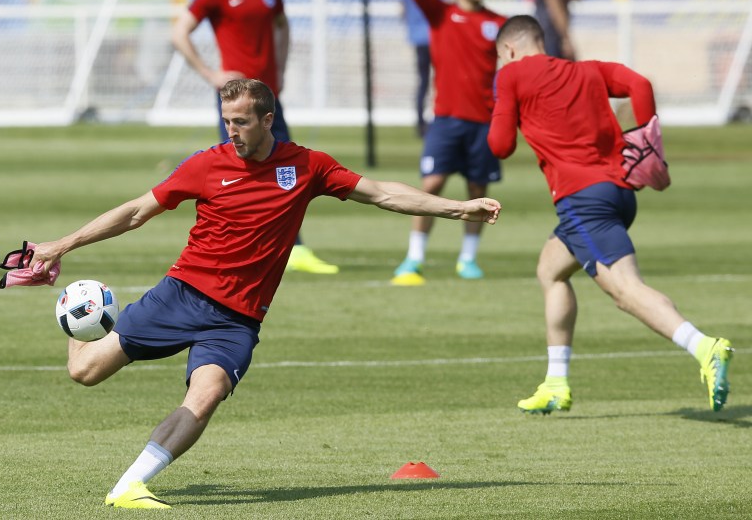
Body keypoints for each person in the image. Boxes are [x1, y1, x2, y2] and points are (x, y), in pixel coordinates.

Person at [27, 78, 501, 508]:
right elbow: (136, 212)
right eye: (226, 120)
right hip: (183, 295)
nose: (231, 130)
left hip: (238, 321)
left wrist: (458, 208)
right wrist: (64, 243)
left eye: (241, 121)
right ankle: (78, 303)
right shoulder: (206, 165)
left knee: (207, 393)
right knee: (84, 371)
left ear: (267, 119)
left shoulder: (307, 165)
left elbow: (381, 193)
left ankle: (129, 486)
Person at [488, 15, 733, 414]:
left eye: (500, 58)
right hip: (619, 192)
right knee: (550, 271)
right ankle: (555, 383)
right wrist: (646, 141)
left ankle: (704, 346)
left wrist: (503, 110)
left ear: (510, 49)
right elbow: (640, 84)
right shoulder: (588, 71)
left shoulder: (511, 75)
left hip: (582, 199)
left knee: (625, 291)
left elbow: (500, 146)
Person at [171, 0, 338, 275]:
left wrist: (282, 68)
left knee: (288, 170)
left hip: (269, 99)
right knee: (237, 174)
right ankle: (235, 248)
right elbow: (180, 31)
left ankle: (292, 247)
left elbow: (282, 24)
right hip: (238, 103)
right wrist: (210, 74)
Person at [392, 0, 507, 284]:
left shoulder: (497, 22)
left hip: (484, 121)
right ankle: (414, 258)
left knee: (477, 189)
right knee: (431, 185)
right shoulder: (441, 12)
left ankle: (467, 260)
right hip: (446, 120)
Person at [401, 0, 441, 137]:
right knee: (441, 80)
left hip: (417, 36)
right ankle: (442, 119)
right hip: (438, 35)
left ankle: (419, 122)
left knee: (423, 80)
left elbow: (402, 9)